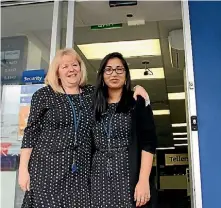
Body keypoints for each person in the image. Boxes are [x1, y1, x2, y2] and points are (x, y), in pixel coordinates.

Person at [18, 48, 150, 207]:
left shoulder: (91, 94)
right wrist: (23, 170)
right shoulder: (43, 95)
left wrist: (136, 88)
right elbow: (30, 134)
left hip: (80, 173)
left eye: (74, 65)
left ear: (81, 68)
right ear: (57, 71)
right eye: (64, 66)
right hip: (47, 170)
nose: (71, 70)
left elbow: (115, 90)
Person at [91, 52, 157, 208]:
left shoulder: (137, 102)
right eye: (109, 70)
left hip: (128, 175)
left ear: (126, 74)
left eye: (119, 69)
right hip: (98, 178)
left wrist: (143, 181)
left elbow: (149, 143)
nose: (114, 73)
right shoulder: (93, 104)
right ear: (102, 75)